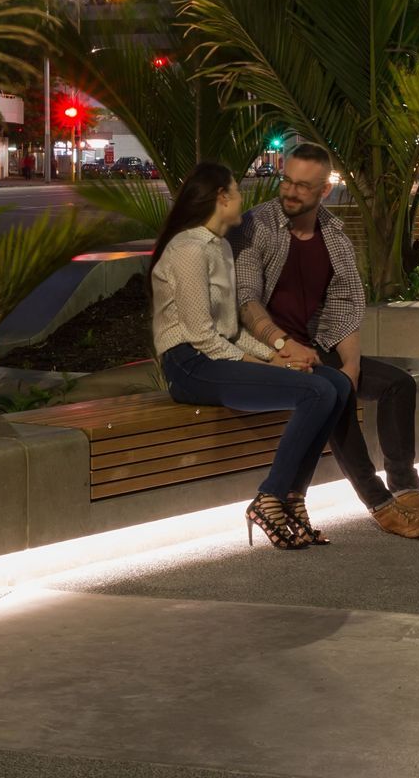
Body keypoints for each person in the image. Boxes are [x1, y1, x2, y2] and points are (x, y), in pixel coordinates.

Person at [232, 143, 419, 539]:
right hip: (265, 353)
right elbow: (245, 298)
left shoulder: (334, 237)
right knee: (335, 389)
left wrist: (353, 363)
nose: (290, 192)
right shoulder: (256, 228)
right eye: (286, 181)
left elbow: (345, 305)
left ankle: (407, 492)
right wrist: (281, 346)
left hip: (315, 346)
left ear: (324, 191)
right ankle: (380, 505)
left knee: (398, 384)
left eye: (303, 186)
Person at [150, 161, 352, 550]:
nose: (243, 199)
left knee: (336, 384)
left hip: (215, 359)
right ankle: (270, 497)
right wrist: (261, 364)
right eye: (237, 191)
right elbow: (201, 336)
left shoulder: (220, 246)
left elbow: (231, 329)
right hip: (190, 365)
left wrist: (278, 353)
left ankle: (293, 498)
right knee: (315, 392)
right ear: (221, 197)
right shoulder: (189, 249)